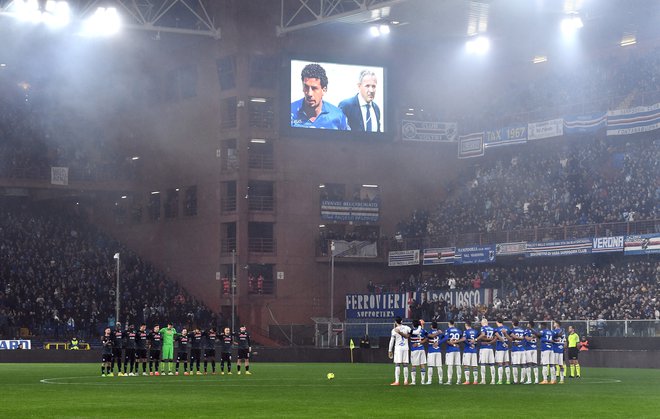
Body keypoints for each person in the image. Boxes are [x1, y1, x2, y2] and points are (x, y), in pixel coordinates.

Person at [290, 63, 349, 130]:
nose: (309, 94)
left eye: (314, 88)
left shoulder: (338, 116)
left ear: (324, 90)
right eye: (306, 87)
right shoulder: (290, 111)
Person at [388, 316, 411, 386]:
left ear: (395, 322)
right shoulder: (407, 328)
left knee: (397, 364)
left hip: (398, 348)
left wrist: (389, 350)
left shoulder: (394, 330)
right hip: (405, 347)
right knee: (405, 365)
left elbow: (392, 341)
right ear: (402, 321)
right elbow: (411, 334)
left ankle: (397, 381)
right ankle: (406, 381)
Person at [476, 318, 496, 385]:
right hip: (490, 348)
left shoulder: (483, 328)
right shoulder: (492, 328)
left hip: (484, 348)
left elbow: (482, 335)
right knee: (492, 365)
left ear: (483, 323)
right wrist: (490, 341)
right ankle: (493, 380)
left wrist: (476, 339)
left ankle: (483, 380)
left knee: (483, 364)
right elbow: (494, 338)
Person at [408, 319, 427, 385]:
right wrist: (419, 343)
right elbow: (427, 338)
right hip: (421, 348)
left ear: (413, 324)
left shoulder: (412, 331)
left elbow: (407, 336)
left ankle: (413, 381)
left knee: (414, 365)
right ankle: (423, 381)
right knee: (422, 364)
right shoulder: (423, 330)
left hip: (414, 349)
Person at [460, 320, 479, 385]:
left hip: (467, 350)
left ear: (466, 325)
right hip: (474, 350)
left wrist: (469, 344)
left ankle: (467, 381)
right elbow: (477, 340)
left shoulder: (466, 331)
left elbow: (464, 339)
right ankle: (475, 381)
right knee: (474, 366)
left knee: (466, 365)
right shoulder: (476, 332)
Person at [444, 319, 463, 385]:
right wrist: (456, 343)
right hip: (457, 350)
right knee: (458, 365)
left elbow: (447, 340)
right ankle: (459, 380)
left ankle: (449, 380)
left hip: (450, 350)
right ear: (454, 324)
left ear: (449, 324)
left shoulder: (448, 330)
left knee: (450, 365)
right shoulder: (459, 330)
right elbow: (461, 339)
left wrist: (453, 344)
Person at [494, 318, 512, 384]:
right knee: (507, 364)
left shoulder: (496, 329)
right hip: (506, 348)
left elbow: (496, 338)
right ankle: (508, 380)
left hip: (499, 348)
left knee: (500, 364)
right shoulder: (507, 328)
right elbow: (510, 338)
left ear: (497, 322)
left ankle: (500, 380)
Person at [509, 319, 526, 384]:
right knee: (523, 365)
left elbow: (511, 338)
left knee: (514, 365)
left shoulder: (512, 330)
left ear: (513, 323)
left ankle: (515, 381)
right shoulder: (522, 330)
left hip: (515, 349)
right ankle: (522, 380)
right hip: (522, 349)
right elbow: (525, 339)